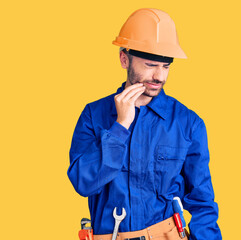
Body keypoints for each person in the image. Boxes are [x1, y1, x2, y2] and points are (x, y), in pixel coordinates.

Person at [67, 8, 222, 240]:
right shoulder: (93, 115)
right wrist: (119, 128)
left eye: (166, 66)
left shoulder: (188, 123)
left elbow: (202, 202)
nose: (160, 76)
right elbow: (83, 183)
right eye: (151, 65)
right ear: (124, 59)